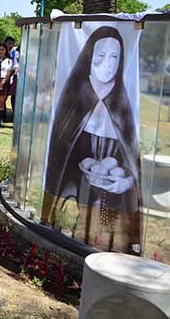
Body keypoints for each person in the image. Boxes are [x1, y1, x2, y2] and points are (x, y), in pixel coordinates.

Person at [41, 26, 140, 253]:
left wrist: (126, 181)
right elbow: (61, 157)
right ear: (89, 57)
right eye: (101, 55)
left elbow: (130, 155)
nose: (107, 63)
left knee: (110, 239)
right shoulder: (75, 97)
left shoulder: (122, 103)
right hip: (77, 189)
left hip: (113, 197)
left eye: (114, 57)